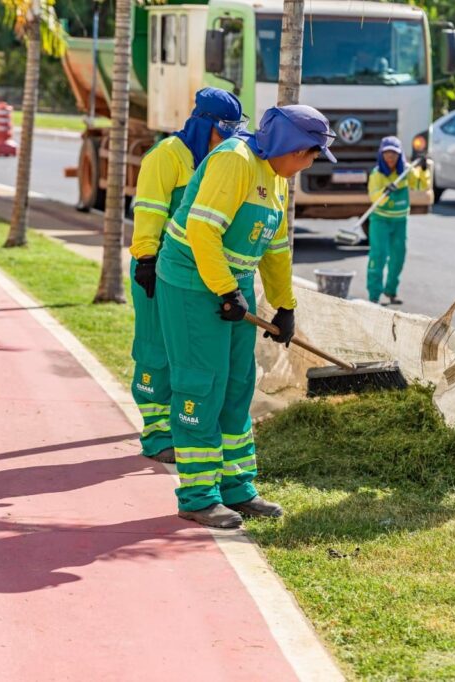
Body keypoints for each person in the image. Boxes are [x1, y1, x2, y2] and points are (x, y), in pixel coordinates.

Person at [157, 104, 337, 528]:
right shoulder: (233, 161)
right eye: (310, 153)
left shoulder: (275, 178)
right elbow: (202, 230)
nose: (310, 162)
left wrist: (285, 306)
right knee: (202, 385)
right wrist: (225, 290)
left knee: (239, 384)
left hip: (230, 289)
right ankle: (198, 495)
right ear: (289, 145)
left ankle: (237, 487)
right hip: (191, 285)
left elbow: (274, 251)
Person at [128, 88, 246, 464]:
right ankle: (155, 431)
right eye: (221, 129)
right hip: (155, 266)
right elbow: (148, 210)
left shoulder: (217, 160)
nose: (225, 138)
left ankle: (182, 428)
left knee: (186, 357)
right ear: (203, 123)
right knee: (155, 349)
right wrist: (147, 258)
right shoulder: (167, 156)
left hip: (196, 275)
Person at [365, 136, 429, 305]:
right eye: (387, 153)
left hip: (400, 221)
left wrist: (423, 169)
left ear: (399, 154)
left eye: (394, 153)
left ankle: (391, 291)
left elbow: (421, 186)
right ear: (381, 154)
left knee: (398, 257)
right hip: (380, 220)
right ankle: (374, 295)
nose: (390, 157)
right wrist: (385, 192)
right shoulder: (376, 174)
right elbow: (373, 197)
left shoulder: (406, 172)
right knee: (378, 256)